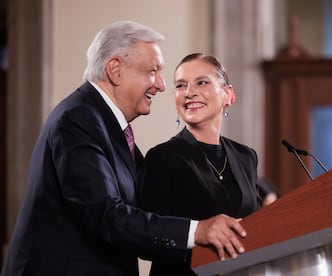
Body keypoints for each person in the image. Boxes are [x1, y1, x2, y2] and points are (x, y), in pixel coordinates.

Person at [0, 22, 247, 276]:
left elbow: (148, 206)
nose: (161, 85)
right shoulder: (77, 120)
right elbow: (106, 215)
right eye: (153, 71)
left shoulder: (106, 125)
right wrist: (198, 231)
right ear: (115, 70)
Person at [141, 53, 261, 275]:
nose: (189, 92)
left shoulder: (246, 157)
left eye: (202, 82)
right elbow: (147, 240)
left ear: (228, 94)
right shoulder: (161, 158)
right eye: (180, 85)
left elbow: (258, 223)